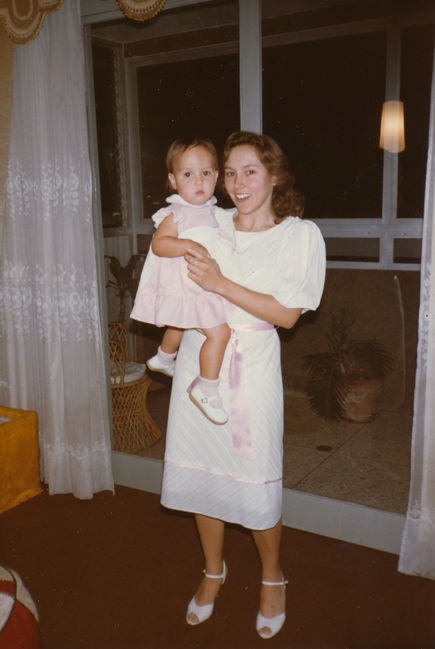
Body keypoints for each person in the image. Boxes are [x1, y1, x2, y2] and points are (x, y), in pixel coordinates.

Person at [160, 130, 326, 639]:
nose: (235, 182)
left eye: (249, 170)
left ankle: (272, 576)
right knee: (204, 472)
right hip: (198, 359)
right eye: (229, 172)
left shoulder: (299, 235)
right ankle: (214, 570)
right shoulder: (206, 223)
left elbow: (288, 314)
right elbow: (168, 274)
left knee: (255, 477)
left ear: (275, 174)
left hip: (251, 364)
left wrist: (221, 284)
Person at [131, 136, 235, 425]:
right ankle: (206, 386)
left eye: (205, 173)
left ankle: (164, 356)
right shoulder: (176, 213)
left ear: (216, 177)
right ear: (174, 180)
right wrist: (188, 245)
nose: (198, 181)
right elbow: (160, 245)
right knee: (220, 334)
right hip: (189, 286)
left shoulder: (216, 214)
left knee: (180, 321)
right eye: (188, 174)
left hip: (201, 284)